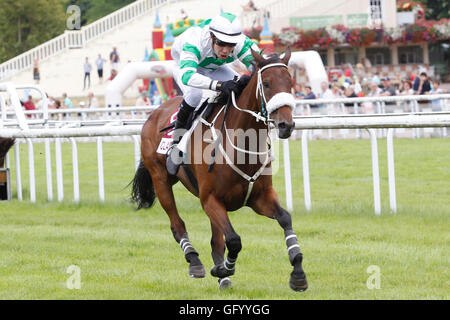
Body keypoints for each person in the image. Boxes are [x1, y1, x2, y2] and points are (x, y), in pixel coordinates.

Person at [166, 12, 260, 174]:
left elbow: (260, 67)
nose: (225, 50)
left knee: (241, 90)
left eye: (230, 45)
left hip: (215, 67)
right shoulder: (194, 40)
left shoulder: (242, 43)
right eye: (221, 44)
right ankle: (176, 142)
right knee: (195, 95)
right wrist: (218, 85)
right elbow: (188, 76)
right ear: (211, 37)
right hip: (187, 68)